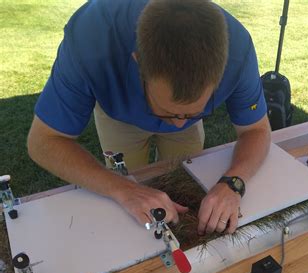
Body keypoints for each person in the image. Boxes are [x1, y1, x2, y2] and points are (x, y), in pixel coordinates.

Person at [27, 0, 271, 235]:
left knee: (185, 179)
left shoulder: (239, 51)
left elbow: (257, 130)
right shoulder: (90, 39)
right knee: (125, 191)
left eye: (192, 113)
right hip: (119, 117)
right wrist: (123, 189)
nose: (178, 124)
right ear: (138, 64)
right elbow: (43, 141)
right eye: (168, 112)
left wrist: (234, 183)